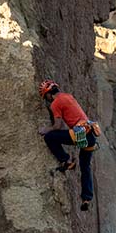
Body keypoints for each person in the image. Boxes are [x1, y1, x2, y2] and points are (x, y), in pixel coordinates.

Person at [38, 79, 98, 211]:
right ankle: (86, 198)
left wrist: (45, 129)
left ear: (48, 94)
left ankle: (66, 161)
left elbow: (57, 126)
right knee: (85, 166)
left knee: (50, 137)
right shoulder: (68, 96)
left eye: (45, 97)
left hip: (81, 133)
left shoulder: (55, 103)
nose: (47, 100)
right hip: (90, 135)